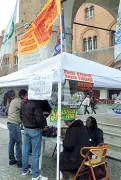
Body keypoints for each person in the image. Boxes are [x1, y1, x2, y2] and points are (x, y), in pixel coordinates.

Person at [21, 96, 51, 180]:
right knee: (35, 153)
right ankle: (35, 175)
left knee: (25, 151)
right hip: (34, 130)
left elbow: (21, 115)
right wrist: (43, 126)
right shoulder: (36, 103)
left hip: (26, 129)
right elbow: (40, 119)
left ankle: (24, 170)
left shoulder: (24, 102)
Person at [7, 89, 27, 168]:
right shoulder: (19, 101)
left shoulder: (14, 100)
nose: (26, 97)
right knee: (18, 143)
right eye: (26, 95)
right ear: (22, 95)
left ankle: (12, 160)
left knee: (11, 143)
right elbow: (25, 109)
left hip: (10, 123)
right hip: (14, 124)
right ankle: (19, 162)